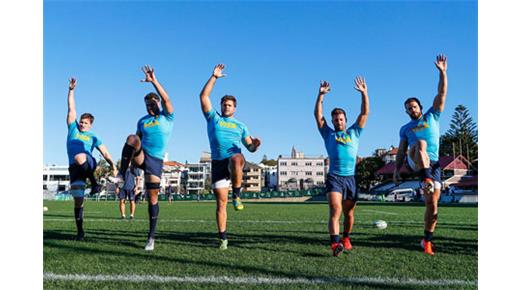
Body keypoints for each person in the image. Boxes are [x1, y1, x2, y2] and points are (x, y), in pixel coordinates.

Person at [110, 65, 175, 251]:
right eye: (147, 104)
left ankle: (151, 237)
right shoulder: (142, 120)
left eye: (152, 103)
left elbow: (167, 98)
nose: (149, 106)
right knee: (132, 138)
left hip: (155, 160)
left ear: (158, 104)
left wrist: (154, 81)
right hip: (142, 156)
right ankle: (121, 174)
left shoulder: (167, 117)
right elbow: (136, 141)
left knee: (152, 199)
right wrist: (130, 164)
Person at [199, 64, 261, 250]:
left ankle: (237, 195)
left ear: (235, 108)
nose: (226, 107)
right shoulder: (213, 119)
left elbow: (249, 148)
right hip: (217, 164)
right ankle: (223, 238)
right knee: (220, 204)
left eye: (229, 105)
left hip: (234, 160)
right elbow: (203, 97)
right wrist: (214, 77)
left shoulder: (241, 126)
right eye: (224, 104)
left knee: (236, 158)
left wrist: (255, 145)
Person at [393, 54, 448, 256]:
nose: (411, 110)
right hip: (415, 161)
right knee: (421, 143)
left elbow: (441, 93)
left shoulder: (432, 116)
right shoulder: (406, 128)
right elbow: (400, 151)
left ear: (420, 107)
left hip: (434, 165)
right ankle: (425, 178)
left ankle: (426, 240)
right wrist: (397, 170)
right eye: (408, 109)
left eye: (414, 107)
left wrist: (442, 72)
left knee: (432, 207)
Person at [314, 77, 369, 257]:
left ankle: (346, 237)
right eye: (335, 119)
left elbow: (364, 114)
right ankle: (335, 243)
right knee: (335, 209)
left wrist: (364, 93)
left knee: (349, 213)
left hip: (351, 178)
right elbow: (318, 116)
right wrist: (320, 95)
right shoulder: (327, 133)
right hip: (334, 178)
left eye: (340, 119)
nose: (338, 122)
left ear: (345, 120)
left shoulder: (354, 132)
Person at [66, 77, 117, 241]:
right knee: (78, 199)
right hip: (74, 168)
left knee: (80, 156)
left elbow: (105, 153)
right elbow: (71, 108)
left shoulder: (93, 137)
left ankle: (95, 184)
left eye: (85, 123)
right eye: (81, 121)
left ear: (90, 125)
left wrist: (113, 166)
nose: (81, 124)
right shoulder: (73, 128)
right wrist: (71, 90)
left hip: (88, 162)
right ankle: (80, 231)